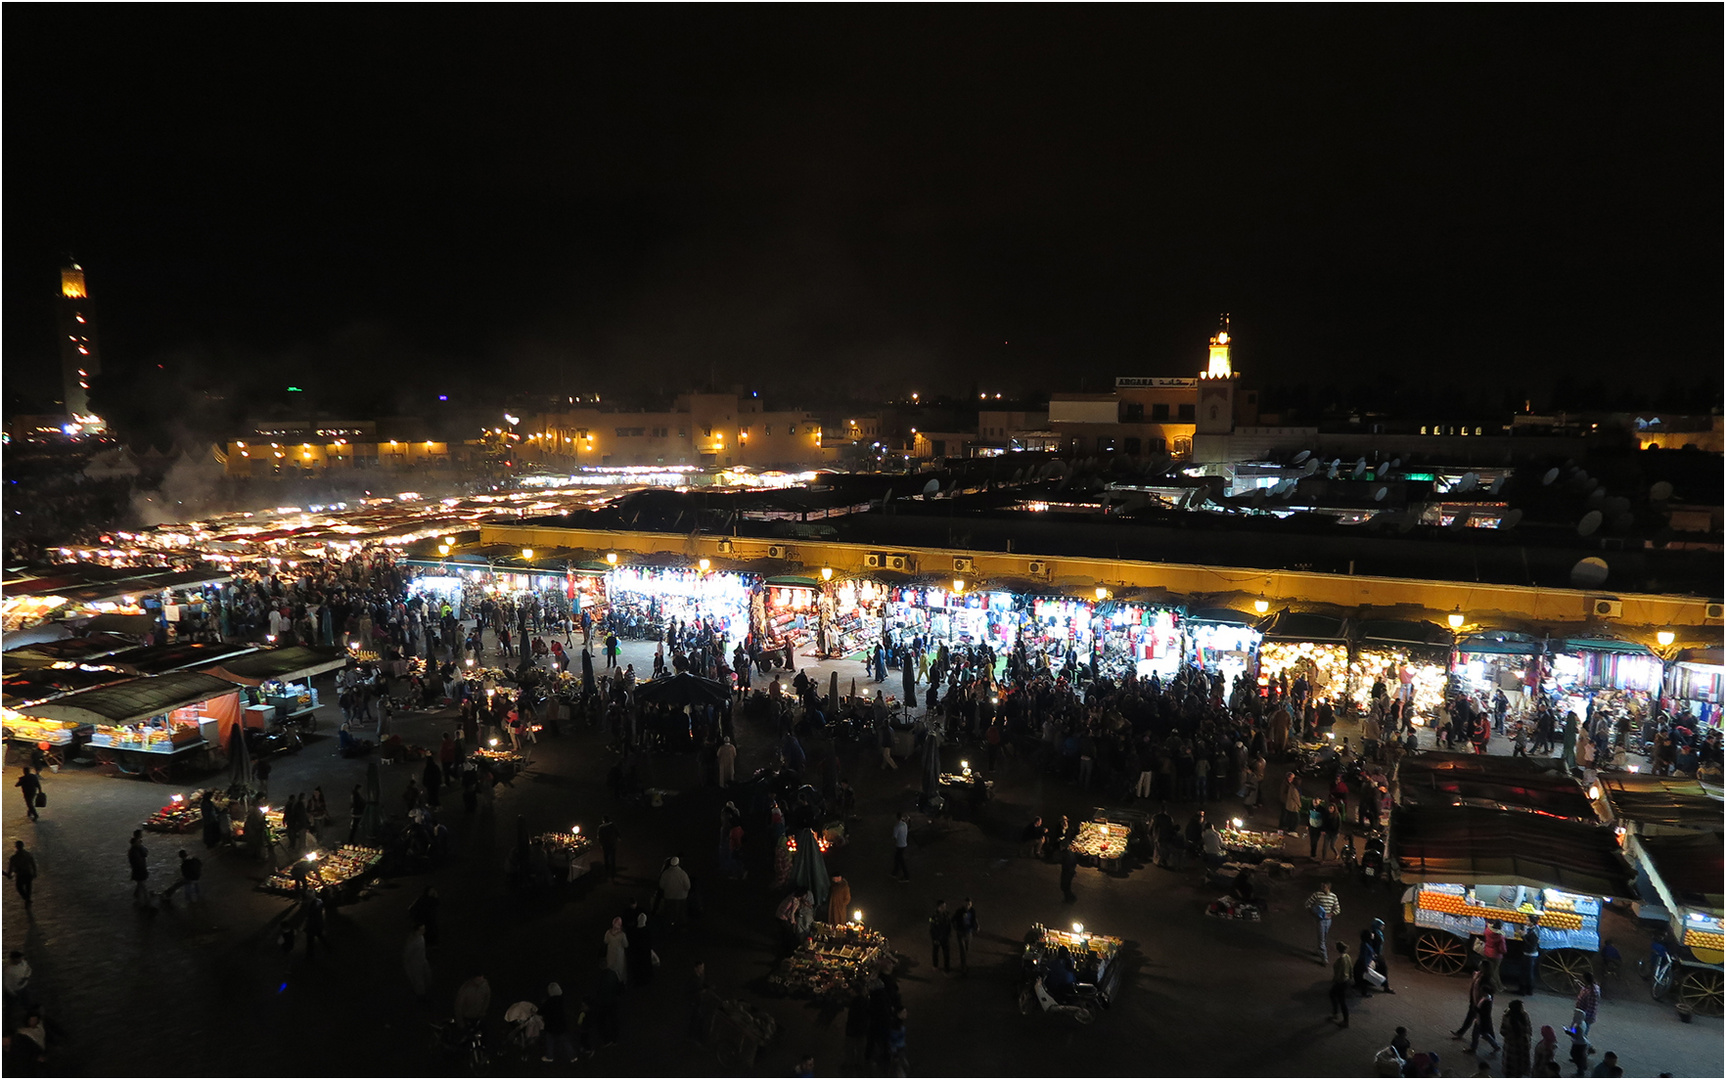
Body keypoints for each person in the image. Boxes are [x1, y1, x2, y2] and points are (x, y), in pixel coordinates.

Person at [540, 982, 575, 1063]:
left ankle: (550, 1056)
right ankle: (572, 1056)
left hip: (551, 1026)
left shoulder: (549, 1002)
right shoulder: (562, 1000)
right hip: (561, 1024)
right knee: (566, 1041)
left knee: (550, 1041)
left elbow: (541, 1011)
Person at [1306, 881, 1340, 962]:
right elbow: (1308, 904)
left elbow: (1337, 909)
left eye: (1324, 886)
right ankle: (1325, 958)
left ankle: (1319, 951)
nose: (1322, 887)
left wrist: (1330, 914)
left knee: (1323, 937)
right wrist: (1313, 913)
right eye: (1322, 886)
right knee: (1322, 938)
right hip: (1320, 920)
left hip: (1328, 920)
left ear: (1328, 887)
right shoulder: (1317, 895)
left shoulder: (1333, 897)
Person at [1500, 998, 1533, 1077]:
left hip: (1510, 1045)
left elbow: (1502, 1031)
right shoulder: (1524, 1016)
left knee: (1510, 1067)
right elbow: (1529, 1029)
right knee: (1519, 1066)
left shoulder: (1507, 1017)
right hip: (1522, 1045)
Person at [658, 856, 691, 930]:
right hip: (681, 898)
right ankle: (681, 928)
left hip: (669, 897)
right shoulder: (683, 874)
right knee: (681, 913)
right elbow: (688, 886)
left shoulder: (665, 873)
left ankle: (670, 927)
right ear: (678, 863)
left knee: (669, 913)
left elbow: (661, 885)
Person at [4, 841, 37, 913]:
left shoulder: (14, 857)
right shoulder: (28, 854)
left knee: (19, 887)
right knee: (28, 887)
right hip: (28, 873)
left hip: (20, 874)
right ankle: (27, 899)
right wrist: (34, 872)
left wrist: (8, 874)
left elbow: (11, 868)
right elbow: (33, 864)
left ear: (16, 847)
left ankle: (26, 899)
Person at [1467, 988, 1501, 1056]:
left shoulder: (1487, 1001)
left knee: (1479, 1035)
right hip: (1480, 1020)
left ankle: (1473, 1049)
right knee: (1481, 1034)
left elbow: (1485, 1013)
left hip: (1481, 1021)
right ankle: (1495, 1046)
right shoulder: (1485, 999)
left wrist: (1476, 1009)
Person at [403, 925, 432, 1001]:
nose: (424, 930)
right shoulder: (412, 942)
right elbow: (407, 955)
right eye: (422, 929)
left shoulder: (420, 937)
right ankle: (421, 997)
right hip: (416, 964)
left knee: (427, 976)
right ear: (417, 931)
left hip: (422, 960)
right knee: (419, 981)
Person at [1329, 941, 1354, 1028]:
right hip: (1345, 981)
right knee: (1336, 996)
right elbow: (1351, 968)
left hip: (1341, 982)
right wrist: (1351, 978)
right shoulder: (1347, 957)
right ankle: (1336, 1014)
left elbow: (1339, 973)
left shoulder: (1340, 961)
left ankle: (1344, 1020)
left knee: (1340, 1000)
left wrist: (1335, 980)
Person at [1517, 913, 1542, 996]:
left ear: (1532, 922)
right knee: (1527, 972)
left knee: (1527, 972)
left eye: (1527, 920)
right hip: (1531, 954)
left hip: (1529, 954)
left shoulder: (1534, 932)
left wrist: (1522, 936)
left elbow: (1530, 944)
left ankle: (1525, 990)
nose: (1526, 922)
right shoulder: (1534, 929)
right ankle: (1527, 990)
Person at [127, 829, 153, 907]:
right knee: (143, 886)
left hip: (138, 870)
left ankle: (137, 895)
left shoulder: (132, 850)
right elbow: (144, 854)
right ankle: (147, 902)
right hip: (140, 870)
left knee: (140, 883)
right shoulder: (138, 849)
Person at [953, 897, 979, 973]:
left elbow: (974, 919)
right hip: (961, 933)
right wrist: (956, 928)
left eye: (969, 904)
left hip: (968, 933)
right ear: (963, 904)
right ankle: (963, 967)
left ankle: (964, 964)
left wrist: (977, 926)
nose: (968, 905)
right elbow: (953, 919)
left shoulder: (972, 911)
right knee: (963, 951)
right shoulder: (959, 911)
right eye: (966, 904)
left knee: (966, 950)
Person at [928, 899, 952, 973]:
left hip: (945, 937)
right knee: (935, 952)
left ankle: (947, 968)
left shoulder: (946, 914)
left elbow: (949, 925)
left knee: (946, 953)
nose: (944, 908)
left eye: (944, 906)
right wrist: (934, 938)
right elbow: (932, 928)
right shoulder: (933, 916)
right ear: (938, 907)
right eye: (942, 907)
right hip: (937, 937)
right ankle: (935, 965)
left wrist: (948, 934)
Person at [603, 917, 629, 983]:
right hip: (619, 954)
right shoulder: (622, 935)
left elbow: (605, 941)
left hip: (610, 953)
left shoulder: (608, 932)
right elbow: (626, 945)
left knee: (611, 967)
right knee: (620, 969)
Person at [891, 813, 910, 881]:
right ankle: (895, 872)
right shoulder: (904, 824)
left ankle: (905, 876)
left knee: (900, 860)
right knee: (897, 858)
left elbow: (894, 837)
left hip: (899, 845)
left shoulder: (897, 826)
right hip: (904, 844)